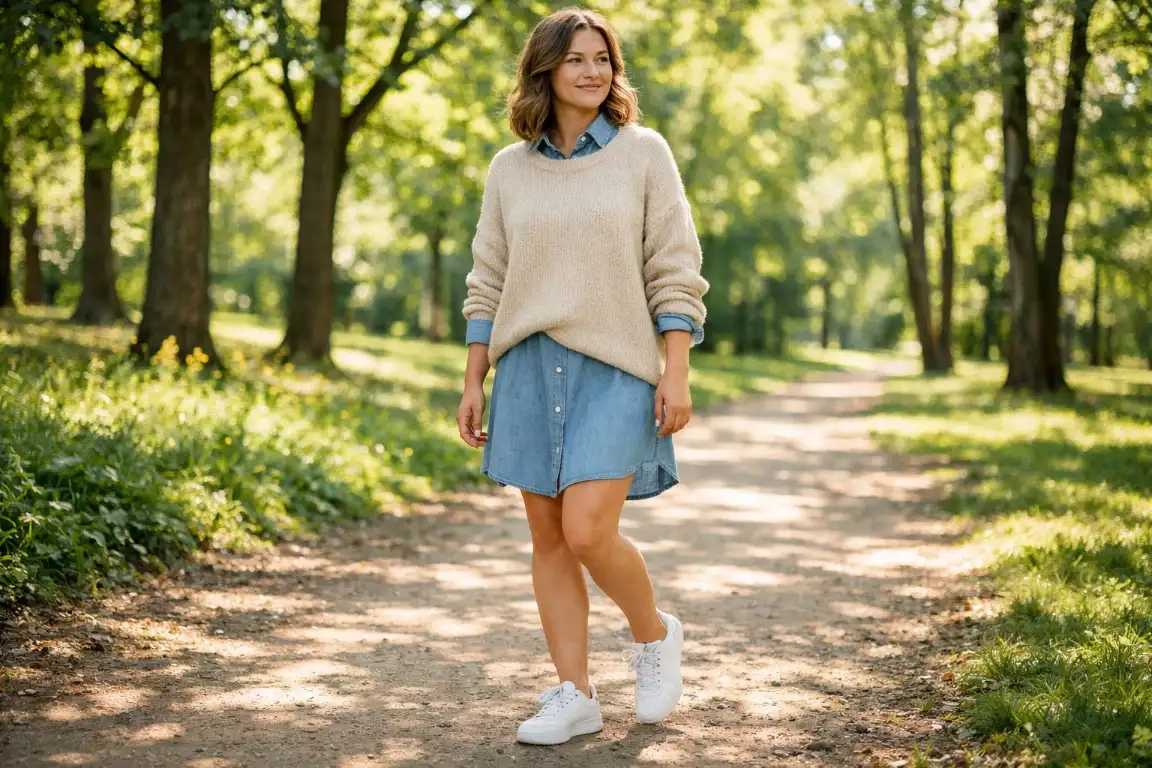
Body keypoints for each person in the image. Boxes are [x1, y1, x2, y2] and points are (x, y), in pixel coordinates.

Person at [456, 7, 708, 747]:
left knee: (589, 531)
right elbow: (487, 279)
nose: (594, 71)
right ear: (544, 71)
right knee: (549, 541)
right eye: (576, 60)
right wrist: (474, 378)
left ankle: (654, 633)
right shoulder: (510, 169)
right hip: (529, 368)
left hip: (617, 367)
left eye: (603, 58)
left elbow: (674, 265)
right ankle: (575, 692)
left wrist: (676, 368)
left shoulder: (643, 153)